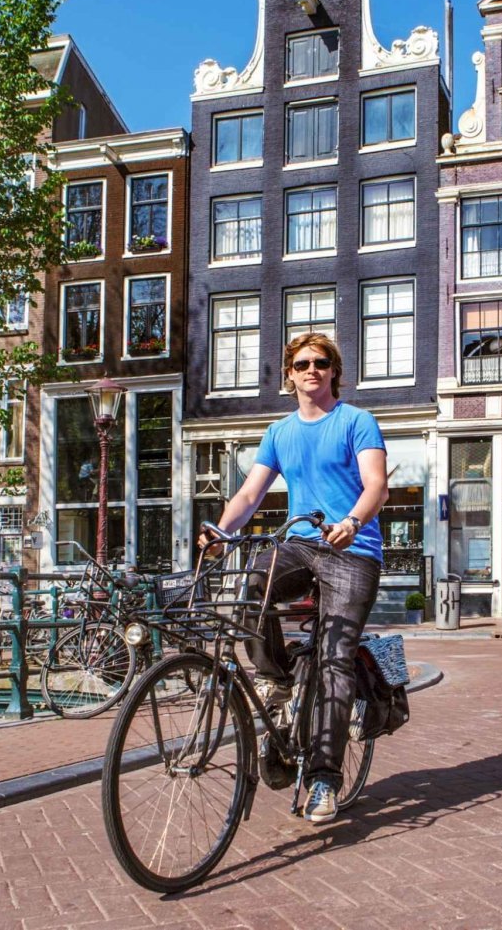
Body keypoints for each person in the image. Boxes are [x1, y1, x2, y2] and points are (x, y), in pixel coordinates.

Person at [200, 332, 388, 824]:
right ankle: (277, 677)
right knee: (251, 586)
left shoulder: (357, 422)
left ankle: (324, 779)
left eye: (321, 362)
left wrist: (351, 522)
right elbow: (248, 496)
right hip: (302, 544)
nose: (311, 370)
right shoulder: (279, 431)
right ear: (289, 374)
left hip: (353, 549)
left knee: (334, 661)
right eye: (302, 363)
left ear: (333, 372)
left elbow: (377, 487)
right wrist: (221, 530)